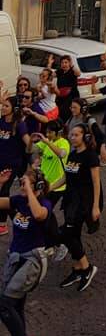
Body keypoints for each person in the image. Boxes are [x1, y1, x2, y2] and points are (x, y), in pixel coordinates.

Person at [0, 167, 51, 336]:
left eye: (25, 183)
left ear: (36, 186)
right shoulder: (19, 201)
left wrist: (30, 190)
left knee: (5, 305)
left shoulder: (45, 204)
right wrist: (1, 184)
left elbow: (38, 215)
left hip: (32, 260)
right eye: (22, 183)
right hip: (15, 257)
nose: (21, 187)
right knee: (16, 304)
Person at [57, 123, 101, 292]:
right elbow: (66, 177)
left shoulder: (90, 156)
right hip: (70, 200)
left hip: (83, 203)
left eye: (76, 135)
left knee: (65, 234)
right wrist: (48, 188)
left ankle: (87, 267)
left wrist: (95, 206)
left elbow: (96, 182)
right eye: (71, 135)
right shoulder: (73, 154)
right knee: (73, 235)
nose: (72, 137)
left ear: (85, 137)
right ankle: (78, 270)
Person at [0, 99, 28, 238]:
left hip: (12, 164)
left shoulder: (19, 124)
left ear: (14, 108)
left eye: (6, 106)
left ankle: (8, 222)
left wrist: (33, 146)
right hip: (0, 162)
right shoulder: (1, 121)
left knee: (3, 192)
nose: (3, 108)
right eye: (2, 105)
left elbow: (27, 142)